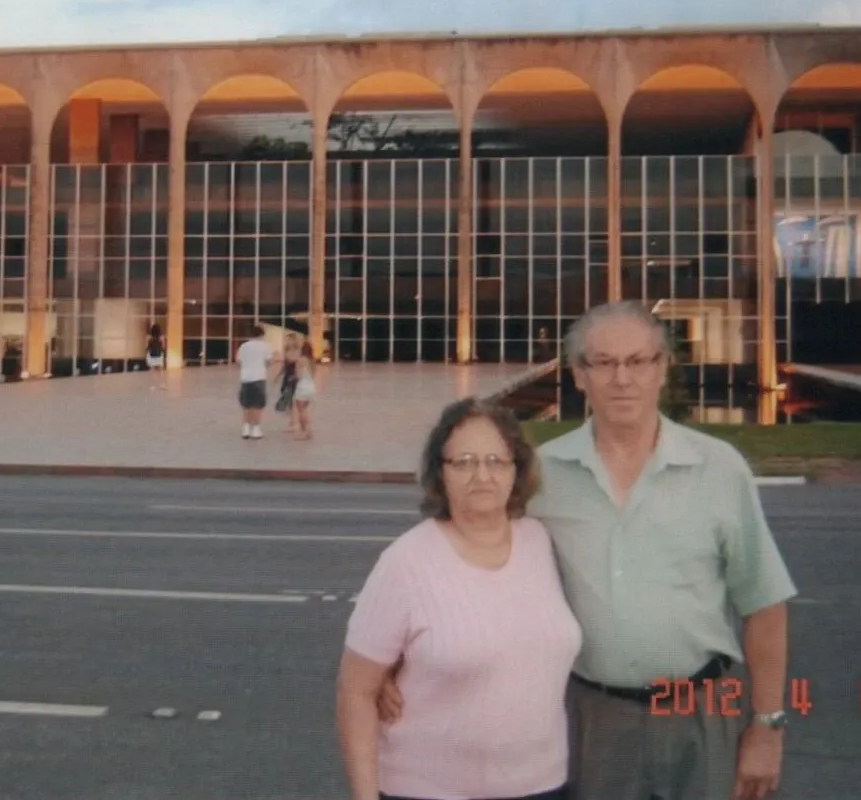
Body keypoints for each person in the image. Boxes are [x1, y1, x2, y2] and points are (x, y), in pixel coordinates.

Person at [378, 301, 797, 800]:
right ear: (579, 375)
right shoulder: (542, 475)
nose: (623, 378)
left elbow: (765, 606)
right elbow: (472, 559)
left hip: (702, 715)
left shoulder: (719, 469)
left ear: (662, 368)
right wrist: (397, 657)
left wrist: (767, 726)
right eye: (603, 362)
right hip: (591, 719)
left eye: (638, 361)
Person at [336, 399, 581, 800]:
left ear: (516, 470)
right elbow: (356, 691)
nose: (481, 475)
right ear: (440, 472)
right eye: (463, 462)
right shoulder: (406, 562)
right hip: (429, 790)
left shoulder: (542, 541)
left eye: (496, 461)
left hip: (543, 785)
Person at [235, 325, 275, 439]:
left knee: (246, 405)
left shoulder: (243, 346)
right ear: (262, 335)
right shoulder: (265, 346)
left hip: (245, 378)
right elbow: (268, 362)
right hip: (259, 377)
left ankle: (246, 428)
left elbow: (238, 361)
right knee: (257, 404)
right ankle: (256, 429)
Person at [289, 339, 318, 440]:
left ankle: (307, 430)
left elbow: (298, 375)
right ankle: (305, 430)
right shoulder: (312, 361)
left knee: (301, 410)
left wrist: (293, 377)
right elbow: (314, 374)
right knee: (304, 409)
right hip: (311, 386)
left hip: (302, 386)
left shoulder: (300, 360)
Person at [145, 323, 166, 388]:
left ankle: (152, 385)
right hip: (159, 354)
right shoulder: (161, 337)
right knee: (160, 370)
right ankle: (162, 384)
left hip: (151, 354)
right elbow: (163, 347)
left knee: (152, 370)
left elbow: (146, 346)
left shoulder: (148, 337)